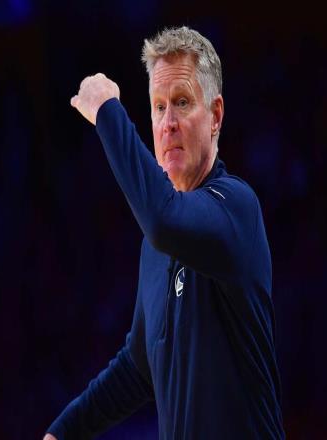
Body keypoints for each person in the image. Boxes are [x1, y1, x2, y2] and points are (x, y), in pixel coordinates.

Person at [44, 26, 285, 439]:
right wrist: (61, 432)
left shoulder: (236, 208)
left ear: (215, 116)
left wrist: (107, 111)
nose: (167, 123)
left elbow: (162, 218)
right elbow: (137, 368)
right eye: (158, 107)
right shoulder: (156, 247)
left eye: (182, 102)